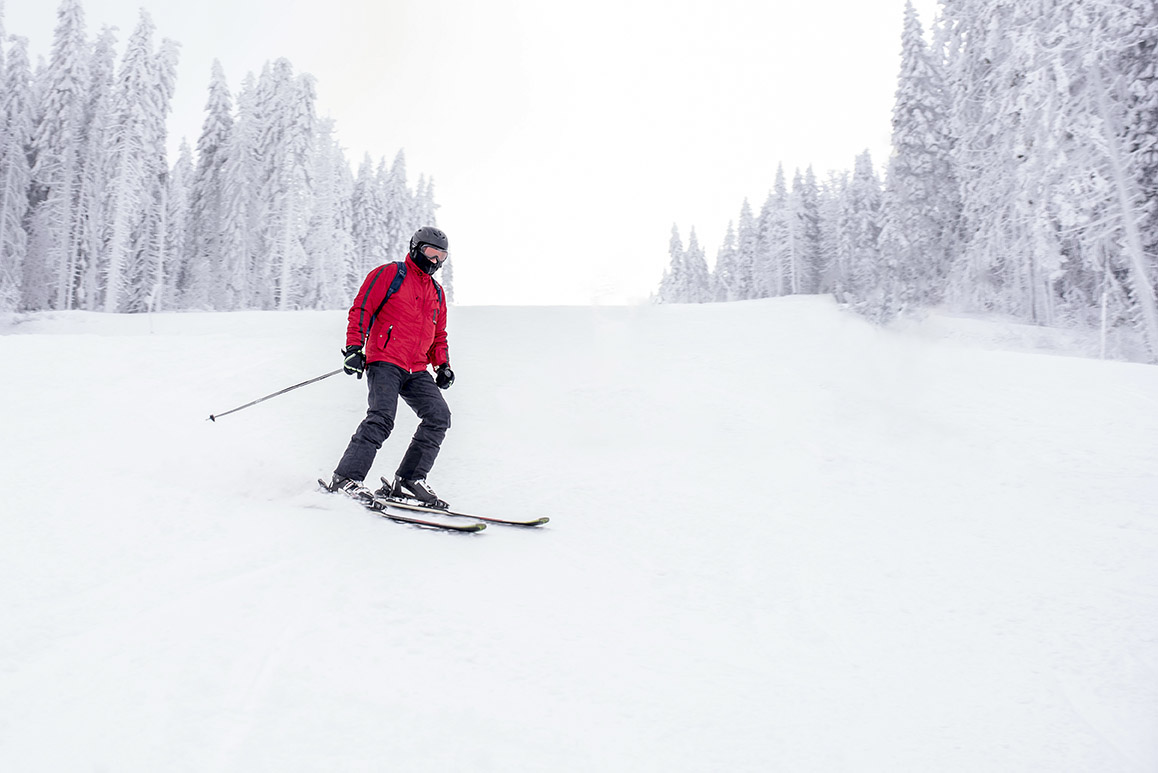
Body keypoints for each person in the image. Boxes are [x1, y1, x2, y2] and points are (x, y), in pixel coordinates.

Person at [326, 226, 455, 509]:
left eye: (441, 256)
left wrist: (443, 365)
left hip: (417, 368)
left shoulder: (437, 293)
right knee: (381, 418)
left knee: (438, 416)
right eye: (431, 253)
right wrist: (353, 349)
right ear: (415, 249)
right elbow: (362, 309)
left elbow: (439, 334)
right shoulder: (390, 274)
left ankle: (408, 481)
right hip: (385, 360)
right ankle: (345, 478)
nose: (435, 261)